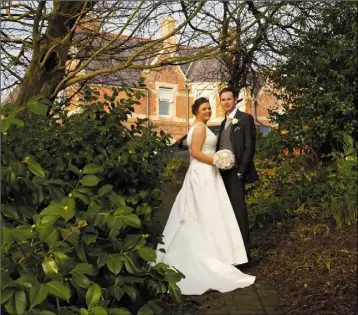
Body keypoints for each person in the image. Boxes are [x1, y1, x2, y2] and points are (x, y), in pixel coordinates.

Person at [156, 97, 255, 295]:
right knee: (206, 213)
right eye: (204, 109)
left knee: (206, 213)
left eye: (209, 108)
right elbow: (195, 153)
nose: (208, 111)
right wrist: (217, 160)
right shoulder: (200, 128)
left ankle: (216, 252)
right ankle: (209, 255)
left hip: (205, 173)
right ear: (196, 111)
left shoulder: (197, 126)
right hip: (203, 174)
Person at [217, 87, 259, 268]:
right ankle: (230, 254)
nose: (226, 102)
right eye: (223, 99)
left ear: (235, 100)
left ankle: (245, 258)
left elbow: (250, 147)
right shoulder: (222, 122)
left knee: (239, 213)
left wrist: (241, 171)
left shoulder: (245, 119)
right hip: (222, 174)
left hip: (236, 173)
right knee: (226, 213)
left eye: (229, 99)